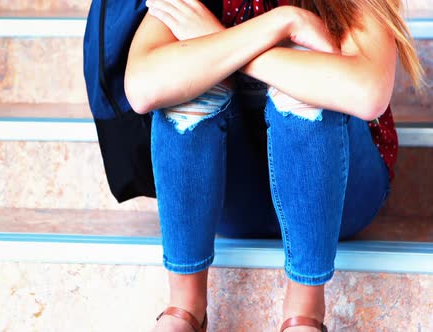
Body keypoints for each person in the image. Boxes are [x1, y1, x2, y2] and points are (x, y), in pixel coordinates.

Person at [124, 0, 424, 331]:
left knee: (313, 77)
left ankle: (305, 312)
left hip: (339, 197)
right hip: (228, 198)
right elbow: (142, 87)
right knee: (180, 84)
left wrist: (221, 41)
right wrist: (283, 22)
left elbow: (367, 92)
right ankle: (184, 307)